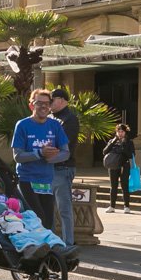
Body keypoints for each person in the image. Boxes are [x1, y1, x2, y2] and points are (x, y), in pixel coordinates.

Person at [0, 168, 74, 261]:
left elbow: (19, 207)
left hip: (15, 215)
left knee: (35, 222)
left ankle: (56, 245)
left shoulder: (2, 195)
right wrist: (7, 208)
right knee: (15, 227)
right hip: (0, 218)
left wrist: (15, 204)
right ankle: (28, 248)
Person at [11, 88, 70, 230]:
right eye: (39, 103)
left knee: (48, 222)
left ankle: (46, 250)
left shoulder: (55, 125)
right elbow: (17, 156)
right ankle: (33, 248)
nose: (43, 106)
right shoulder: (22, 125)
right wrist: (40, 154)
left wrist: (52, 157)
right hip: (27, 180)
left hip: (47, 181)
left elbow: (66, 152)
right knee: (37, 218)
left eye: (47, 103)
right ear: (31, 105)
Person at [48, 87, 80, 246]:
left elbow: (63, 143)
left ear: (61, 100)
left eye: (51, 100)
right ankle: (53, 241)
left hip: (63, 167)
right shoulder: (49, 118)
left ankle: (68, 242)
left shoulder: (70, 118)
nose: (49, 103)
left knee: (64, 208)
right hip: (48, 168)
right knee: (49, 208)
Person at [102, 123, 135, 213]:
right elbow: (105, 151)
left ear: (125, 132)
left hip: (124, 166)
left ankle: (126, 206)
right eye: (118, 131)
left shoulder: (129, 142)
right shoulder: (112, 141)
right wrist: (113, 142)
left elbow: (131, 155)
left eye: (122, 132)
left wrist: (123, 146)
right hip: (113, 166)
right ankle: (112, 206)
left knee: (124, 186)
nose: (120, 133)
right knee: (113, 186)